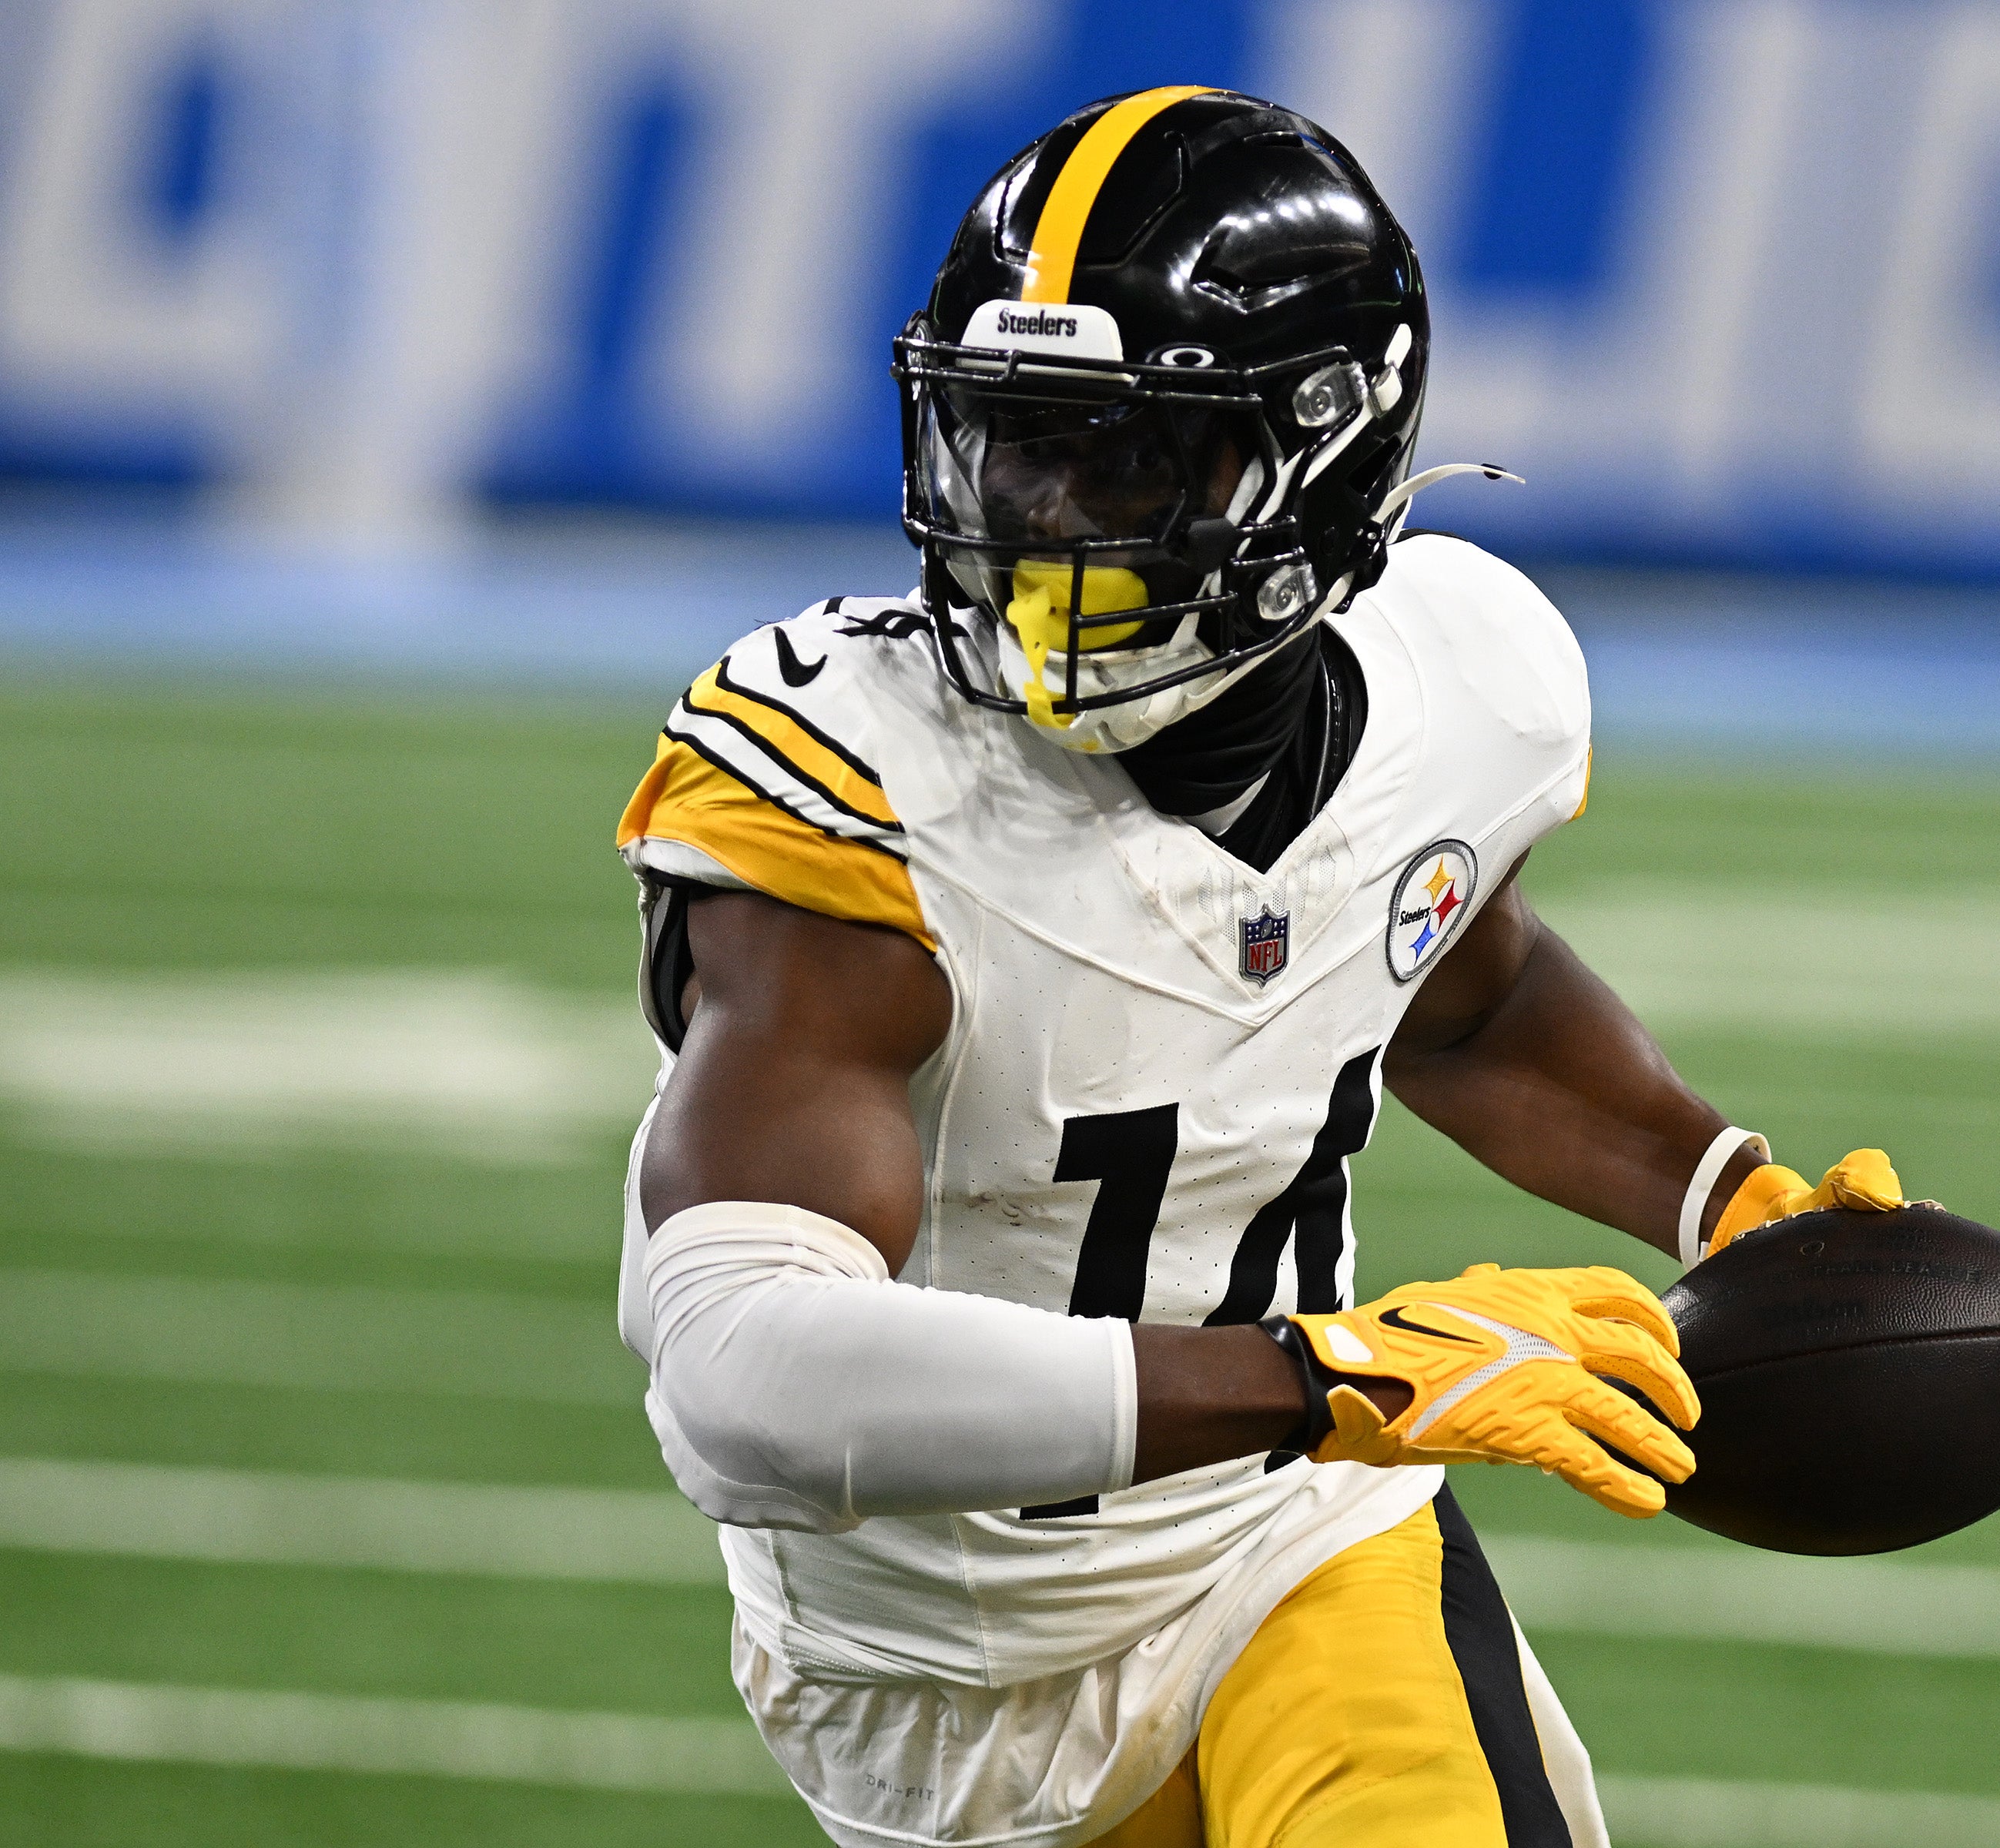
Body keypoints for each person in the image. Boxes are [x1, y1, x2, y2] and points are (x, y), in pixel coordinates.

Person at [614, 85, 1907, 1848]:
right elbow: (739, 1379)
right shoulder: (853, 799)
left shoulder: (1460, 690)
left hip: (1287, 1535)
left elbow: (1464, 984)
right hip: (926, 1666)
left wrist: (1725, 1196)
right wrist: (1333, 1376)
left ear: (1325, 462)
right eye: (1017, 442)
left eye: (1130, 458)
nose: (1049, 523)